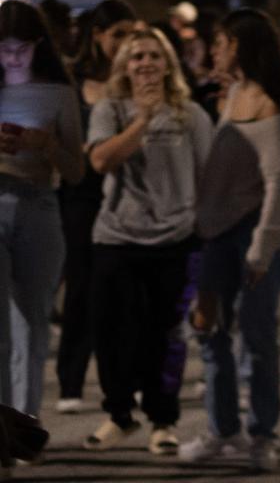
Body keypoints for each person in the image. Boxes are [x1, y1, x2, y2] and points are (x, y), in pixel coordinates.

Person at [179, 8, 280, 472]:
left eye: (221, 42)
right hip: (216, 235)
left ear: (242, 47)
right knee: (207, 329)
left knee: (256, 335)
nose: (214, 50)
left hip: (253, 236)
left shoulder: (269, 105)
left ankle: (262, 435)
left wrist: (261, 249)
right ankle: (221, 429)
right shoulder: (228, 95)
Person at [83, 28, 213, 455]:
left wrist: (205, 234)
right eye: (137, 57)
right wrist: (142, 118)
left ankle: (163, 420)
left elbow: (207, 177)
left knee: (165, 335)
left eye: (155, 56)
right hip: (117, 237)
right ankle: (120, 416)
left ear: (169, 65)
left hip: (174, 240)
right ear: (124, 67)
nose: (146, 64)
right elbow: (101, 160)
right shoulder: (110, 108)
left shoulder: (190, 114)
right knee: (111, 332)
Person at [0, 0, 84, 421]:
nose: (13, 57)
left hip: (39, 204)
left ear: (38, 45)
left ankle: (23, 426)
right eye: (4, 48)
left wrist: (45, 145)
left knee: (31, 326)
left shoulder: (59, 93)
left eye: (22, 48)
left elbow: (76, 171)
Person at [56, 0, 137, 415]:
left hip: (131, 196)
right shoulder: (72, 81)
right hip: (82, 198)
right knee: (82, 290)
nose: (125, 43)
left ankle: (129, 380)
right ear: (98, 35)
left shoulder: (138, 78)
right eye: (117, 34)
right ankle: (70, 382)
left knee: (127, 292)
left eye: (131, 33)